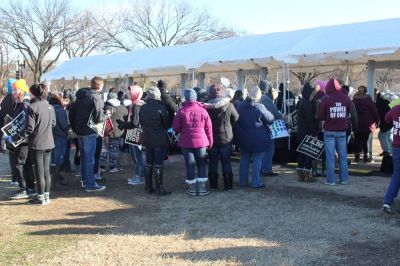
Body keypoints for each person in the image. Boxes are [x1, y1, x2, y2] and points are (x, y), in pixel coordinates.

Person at [15, 84, 56, 204]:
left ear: (33, 93)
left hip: (37, 143)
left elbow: (29, 128)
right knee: (46, 170)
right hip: (49, 142)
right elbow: (53, 124)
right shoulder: (50, 106)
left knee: (39, 171)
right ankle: (46, 196)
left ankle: (40, 197)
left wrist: (19, 137)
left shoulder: (32, 107)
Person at [172, 89, 213, 196]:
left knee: (190, 165)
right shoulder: (203, 110)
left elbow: (175, 128)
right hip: (201, 142)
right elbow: (209, 128)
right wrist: (210, 141)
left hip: (186, 142)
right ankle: (202, 188)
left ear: (185, 98)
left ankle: (192, 188)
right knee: (201, 164)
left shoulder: (181, 111)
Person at [69, 76, 106, 192]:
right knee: (90, 159)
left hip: (80, 132)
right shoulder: (95, 97)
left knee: (85, 158)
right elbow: (99, 117)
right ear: (100, 86)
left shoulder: (79, 97)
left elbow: (71, 114)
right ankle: (90, 184)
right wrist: (107, 115)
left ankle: (85, 181)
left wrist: (75, 129)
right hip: (90, 132)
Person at [234, 86, 275, 188]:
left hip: (243, 137)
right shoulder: (260, 106)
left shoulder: (240, 105)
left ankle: (243, 182)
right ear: (259, 97)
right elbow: (270, 119)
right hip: (258, 138)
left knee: (244, 159)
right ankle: (256, 182)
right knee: (257, 159)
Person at [5, 79, 36, 200]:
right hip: (21, 140)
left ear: (22, 90)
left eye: (15, 89)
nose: (13, 92)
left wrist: (16, 137)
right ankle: (30, 188)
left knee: (19, 164)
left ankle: (24, 189)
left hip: (22, 141)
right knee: (26, 164)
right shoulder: (19, 103)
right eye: (13, 89)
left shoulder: (24, 104)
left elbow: (26, 124)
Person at [204, 83, 239, 191]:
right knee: (226, 162)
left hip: (212, 138)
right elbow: (236, 118)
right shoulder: (229, 105)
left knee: (213, 162)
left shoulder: (206, 107)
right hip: (226, 138)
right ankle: (228, 186)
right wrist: (229, 126)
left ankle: (213, 185)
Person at [139, 87, 171, 196]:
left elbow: (141, 122)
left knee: (148, 162)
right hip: (159, 138)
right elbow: (167, 124)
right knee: (158, 163)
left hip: (147, 138)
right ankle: (159, 188)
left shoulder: (143, 108)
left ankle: (148, 187)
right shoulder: (161, 108)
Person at [319, 79, 351, 185]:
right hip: (342, 131)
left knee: (330, 157)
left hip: (329, 131)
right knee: (342, 156)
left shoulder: (325, 99)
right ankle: (344, 179)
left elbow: (321, 116)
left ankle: (331, 180)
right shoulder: (346, 97)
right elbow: (348, 111)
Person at [117, 85, 145, 185]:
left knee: (137, 156)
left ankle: (141, 177)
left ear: (135, 94)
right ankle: (137, 174)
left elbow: (135, 122)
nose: (127, 94)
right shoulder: (134, 104)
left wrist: (123, 124)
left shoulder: (137, 105)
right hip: (132, 131)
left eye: (130, 93)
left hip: (136, 132)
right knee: (134, 155)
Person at [258, 80, 282, 177]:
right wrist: (281, 116)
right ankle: (266, 169)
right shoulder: (266, 99)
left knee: (260, 151)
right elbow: (275, 114)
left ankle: (260, 168)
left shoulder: (258, 98)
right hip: (267, 129)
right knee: (269, 149)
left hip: (258, 128)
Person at [100, 91, 128, 173]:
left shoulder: (104, 106)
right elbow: (126, 113)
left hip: (105, 131)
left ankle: (102, 167)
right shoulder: (121, 106)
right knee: (114, 150)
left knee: (104, 150)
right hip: (117, 132)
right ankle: (113, 167)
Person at [296, 83, 318, 182]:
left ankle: (300, 174)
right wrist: (314, 133)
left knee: (301, 152)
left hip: (300, 131)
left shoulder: (301, 101)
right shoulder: (307, 103)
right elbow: (310, 120)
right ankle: (307, 175)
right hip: (307, 131)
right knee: (308, 152)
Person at [352, 85, 380, 163]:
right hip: (368, 124)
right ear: (365, 92)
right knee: (366, 141)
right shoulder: (368, 99)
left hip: (357, 123)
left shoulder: (354, 99)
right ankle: (365, 157)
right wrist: (377, 121)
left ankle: (357, 157)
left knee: (357, 140)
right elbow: (374, 111)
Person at [382, 103, 400, 214]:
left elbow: (386, 119)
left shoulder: (396, 109)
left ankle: (387, 202)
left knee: (397, 174)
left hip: (397, 147)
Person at [49, 93, 70, 187]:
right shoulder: (60, 110)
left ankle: (53, 176)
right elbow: (63, 125)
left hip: (51, 136)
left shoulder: (48, 109)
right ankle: (56, 177)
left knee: (53, 157)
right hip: (60, 135)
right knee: (59, 156)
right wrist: (69, 128)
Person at [0, 78, 18, 185]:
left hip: (7, 129)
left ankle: (14, 177)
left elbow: (2, 115)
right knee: (18, 155)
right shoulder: (14, 98)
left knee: (12, 155)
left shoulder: (5, 99)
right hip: (15, 129)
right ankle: (17, 178)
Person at [376, 92, 394, 156]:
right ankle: (387, 151)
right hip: (388, 121)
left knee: (387, 136)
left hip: (387, 122)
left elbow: (380, 113)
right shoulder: (385, 100)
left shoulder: (381, 101)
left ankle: (391, 151)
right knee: (383, 136)